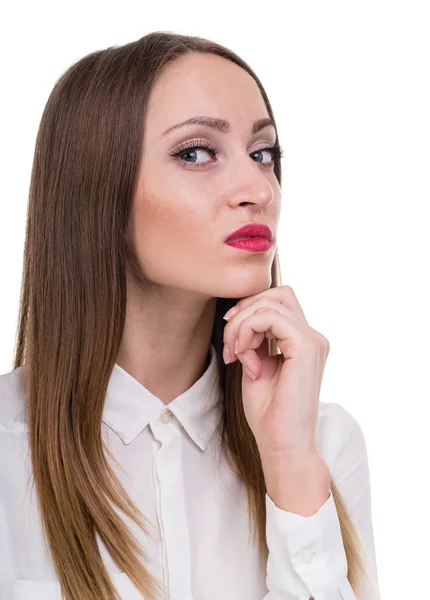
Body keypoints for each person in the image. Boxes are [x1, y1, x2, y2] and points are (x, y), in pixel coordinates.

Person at [0, 31, 380, 600]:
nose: (257, 188)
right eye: (195, 153)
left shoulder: (323, 442)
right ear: (96, 189)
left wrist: (289, 463)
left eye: (263, 153)